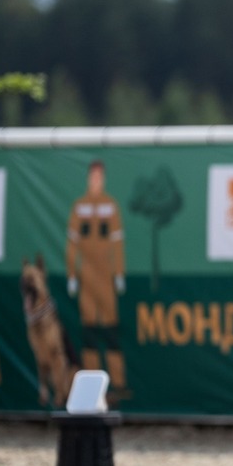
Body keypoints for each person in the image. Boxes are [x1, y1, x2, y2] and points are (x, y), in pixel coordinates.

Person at [65, 159, 130, 400]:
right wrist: (72, 274)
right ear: (88, 178)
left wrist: (119, 273)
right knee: (89, 330)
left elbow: (117, 242)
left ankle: (119, 383)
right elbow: (72, 244)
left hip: (105, 276)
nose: (96, 181)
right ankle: (91, 387)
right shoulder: (79, 207)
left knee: (111, 330)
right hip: (86, 277)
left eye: (99, 177)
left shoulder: (110, 206)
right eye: (93, 177)